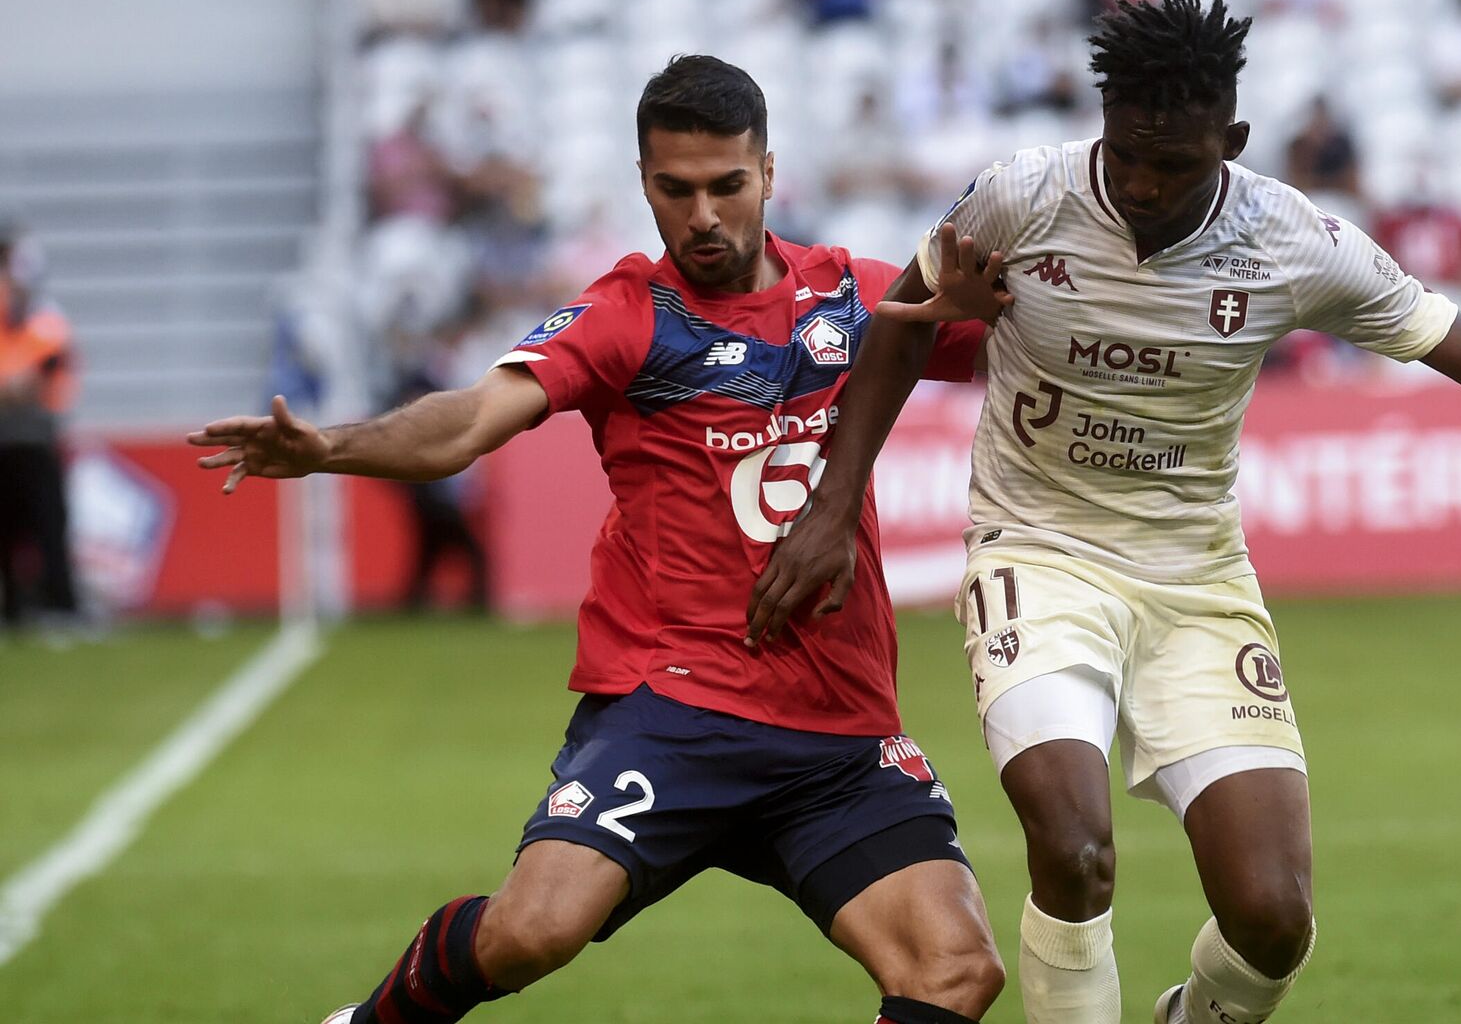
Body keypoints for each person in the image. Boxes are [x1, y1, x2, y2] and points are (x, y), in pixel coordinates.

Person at [750, 0, 1461, 1024]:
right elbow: (899, 320)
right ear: (1103, 128)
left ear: (1234, 137)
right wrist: (838, 506)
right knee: (1073, 845)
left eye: (1177, 164)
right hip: (1039, 548)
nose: (1149, 187)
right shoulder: (1022, 196)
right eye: (1128, 157)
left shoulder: (1292, 241)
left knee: (1273, 921)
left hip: (1198, 581)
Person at [190, 56, 1003, 1024]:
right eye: (675, 190)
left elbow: (1016, 346)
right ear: (644, 183)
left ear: (770, 173)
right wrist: (329, 445)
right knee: (530, 933)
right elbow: (471, 420)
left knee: (956, 969)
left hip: (835, 732)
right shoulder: (629, 316)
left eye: (726, 187)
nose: (702, 215)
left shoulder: (852, 298)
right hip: (673, 713)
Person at [0, 224, 80, 631]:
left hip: (35, 439)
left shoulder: (47, 321)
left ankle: (61, 606)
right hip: (5, 442)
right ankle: (12, 610)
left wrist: (16, 384)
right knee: (7, 533)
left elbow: (42, 376)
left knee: (50, 526)